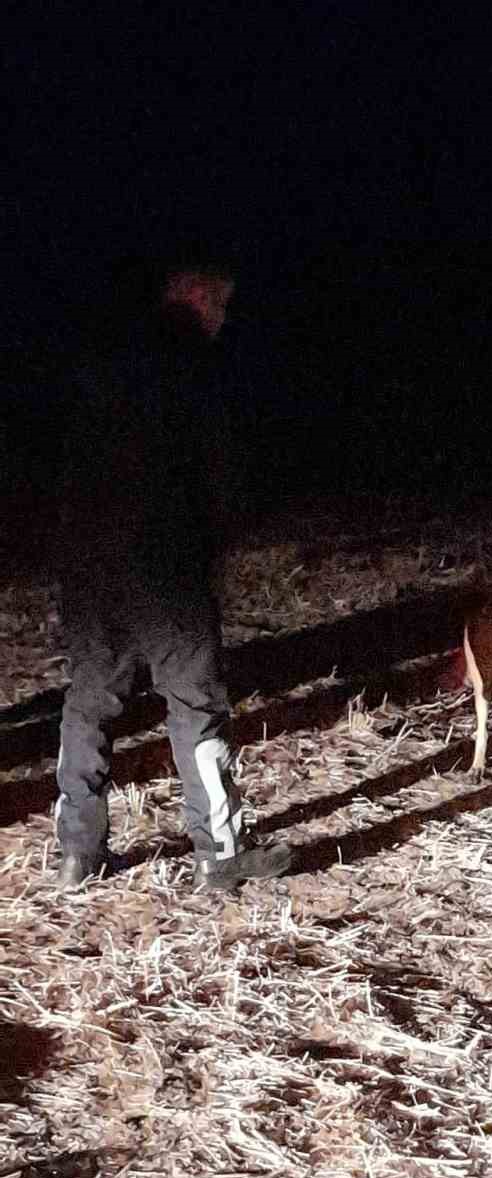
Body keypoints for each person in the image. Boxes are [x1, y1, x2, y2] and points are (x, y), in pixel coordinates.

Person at [54, 255, 292, 891]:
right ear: (189, 294)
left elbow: (61, 468)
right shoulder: (196, 370)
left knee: (90, 702)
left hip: (89, 567)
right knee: (196, 705)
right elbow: (223, 478)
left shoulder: (102, 364)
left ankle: (78, 849)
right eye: (219, 305)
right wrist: (214, 545)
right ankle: (219, 851)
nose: (222, 319)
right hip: (167, 569)